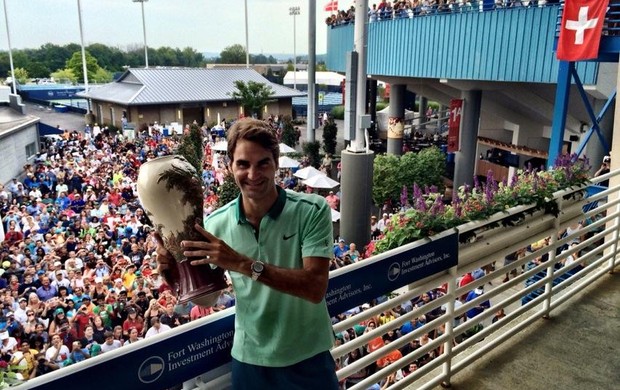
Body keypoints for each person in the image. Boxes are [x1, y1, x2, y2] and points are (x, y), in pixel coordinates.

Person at [156, 118, 338, 389]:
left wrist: (241, 263)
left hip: (308, 358)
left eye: (263, 163)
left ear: (276, 164)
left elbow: (314, 287)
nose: (253, 174)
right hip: (250, 361)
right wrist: (171, 269)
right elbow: (207, 298)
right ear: (230, 166)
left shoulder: (312, 211)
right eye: (243, 164)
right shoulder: (216, 224)